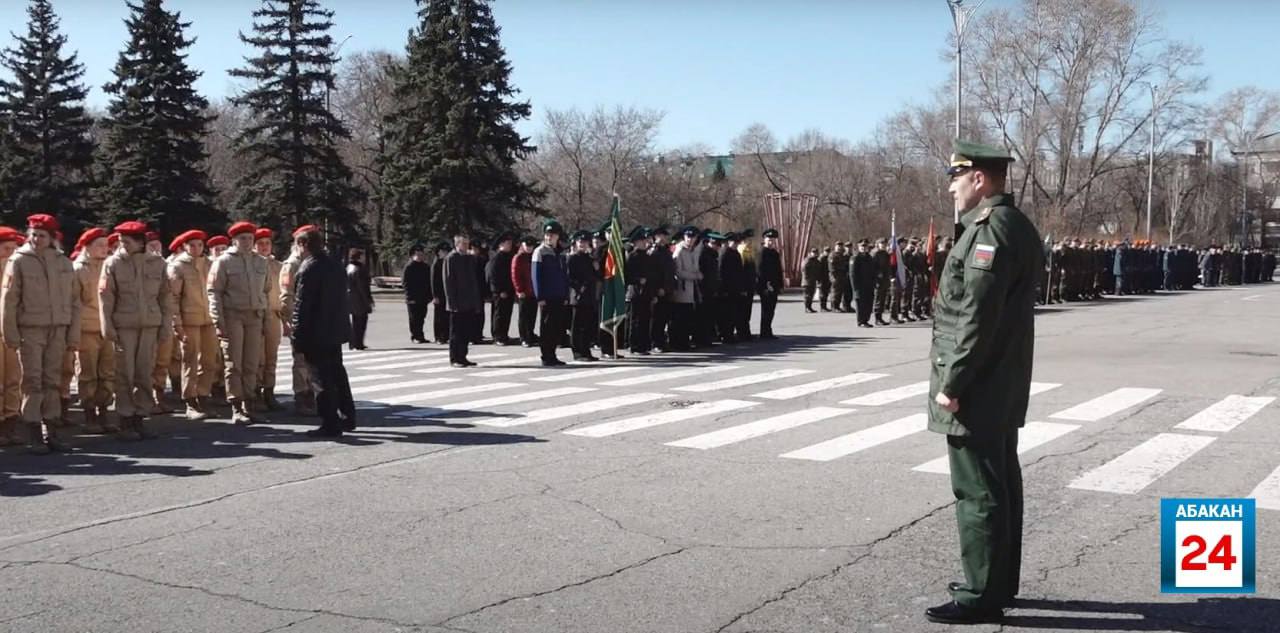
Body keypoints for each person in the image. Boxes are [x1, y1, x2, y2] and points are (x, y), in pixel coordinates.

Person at [926, 140, 1042, 625]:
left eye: (956, 178)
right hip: (998, 379)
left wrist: (953, 382)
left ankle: (980, 594)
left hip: (979, 385)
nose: (951, 188)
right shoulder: (1010, 224)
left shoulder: (989, 229)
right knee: (999, 483)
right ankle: (998, 583)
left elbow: (976, 316)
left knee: (978, 492)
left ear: (978, 178)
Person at [1, 214, 80, 454]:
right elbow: (9, 300)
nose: (36, 239)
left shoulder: (63, 262)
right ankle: (33, 431)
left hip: (58, 329)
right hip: (30, 329)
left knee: (52, 380)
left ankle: (52, 430)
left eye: (42, 235)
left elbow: (75, 301)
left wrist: (72, 334)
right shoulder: (19, 261)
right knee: (33, 381)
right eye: (33, 234)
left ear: (52, 237)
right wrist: (10, 334)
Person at [100, 221, 173, 441]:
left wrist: (165, 325)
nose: (123, 245)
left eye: (128, 241)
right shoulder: (112, 263)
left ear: (141, 242)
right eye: (121, 241)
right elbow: (105, 297)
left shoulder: (157, 263)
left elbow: (165, 297)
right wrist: (107, 326)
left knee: (144, 373)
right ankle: (125, 419)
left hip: (149, 325)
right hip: (124, 326)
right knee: (124, 374)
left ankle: (140, 417)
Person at [290, 225, 355, 438]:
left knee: (320, 379)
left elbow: (301, 306)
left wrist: (297, 336)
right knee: (337, 374)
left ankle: (330, 423)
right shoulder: (335, 264)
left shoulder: (308, 268)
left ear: (303, 245)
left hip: (315, 333)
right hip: (335, 329)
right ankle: (348, 416)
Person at [208, 221, 270, 426]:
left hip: (254, 316)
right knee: (234, 363)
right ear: (234, 240)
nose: (247, 242)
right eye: (242, 238)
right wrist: (218, 321)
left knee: (252, 363)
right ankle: (236, 406)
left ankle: (249, 404)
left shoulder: (261, 261)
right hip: (232, 316)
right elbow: (214, 292)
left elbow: (267, 290)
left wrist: (265, 316)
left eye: (250, 238)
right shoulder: (224, 262)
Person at [167, 230, 218, 421]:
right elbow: (173, 298)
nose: (196, 249)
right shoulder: (178, 266)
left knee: (209, 361)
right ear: (185, 246)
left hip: (209, 320)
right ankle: (190, 401)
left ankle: (204, 396)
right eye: (192, 245)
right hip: (189, 321)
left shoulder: (210, 264)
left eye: (199, 245)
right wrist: (177, 325)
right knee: (190, 361)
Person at [72, 228, 116, 433]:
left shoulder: (110, 266)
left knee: (107, 373)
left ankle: (105, 412)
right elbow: (74, 302)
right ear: (87, 247)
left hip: (107, 328)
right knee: (88, 373)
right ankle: (89, 415)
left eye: (106, 245)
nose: (104, 249)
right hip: (87, 328)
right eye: (99, 245)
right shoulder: (79, 269)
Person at [280, 236, 316, 415]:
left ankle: (312, 393)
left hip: (312, 319)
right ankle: (302, 396)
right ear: (299, 245)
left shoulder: (312, 262)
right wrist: (288, 320)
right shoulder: (292, 264)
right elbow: (286, 295)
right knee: (300, 361)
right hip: (298, 319)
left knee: (313, 360)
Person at [531, 221, 569, 366]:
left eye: (552, 235)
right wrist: (539, 296)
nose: (549, 237)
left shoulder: (559, 252)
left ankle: (552, 354)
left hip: (559, 295)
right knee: (547, 328)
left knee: (556, 327)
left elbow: (564, 275)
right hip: (547, 297)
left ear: (557, 236)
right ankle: (546, 356)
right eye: (547, 235)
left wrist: (565, 294)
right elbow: (536, 276)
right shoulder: (540, 251)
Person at [0, 228, 25, 446]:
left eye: (13, 248)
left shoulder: (17, 270)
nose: (10, 252)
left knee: (14, 379)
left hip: (14, 331)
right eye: (5, 248)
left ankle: (10, 423)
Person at [256, 228, 285, 410]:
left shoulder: (278, 266)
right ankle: (255, 392)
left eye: (267, 243)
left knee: (271, 357)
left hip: (273, 315)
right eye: (260, 243)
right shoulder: (250, 264)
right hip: (255, 315)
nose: (264, 247)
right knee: (257, 357)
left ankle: (269, 391)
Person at [443, 233, 481, 367]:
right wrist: (452, 302)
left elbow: (473, 281)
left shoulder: (469, 258)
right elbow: (448, 282)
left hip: (469, 302)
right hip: (457, 303)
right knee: (456, 332)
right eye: (463, 243)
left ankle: (463, 356)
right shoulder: (451, 258)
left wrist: (476, 302)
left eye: (467, 243)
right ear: (457, 244)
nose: (466, 246)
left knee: (466, 331)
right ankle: (455, 358)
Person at [566, 230, 600, 362]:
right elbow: (569, 278)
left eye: (585, 242)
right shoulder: (572, 258)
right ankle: (577, 351)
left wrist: (596, 268)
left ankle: (586, 350)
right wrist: (579, 287)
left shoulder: (590, 259)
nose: (583, 244)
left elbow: (597, 277)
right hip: (578, 296)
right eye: (580, 242)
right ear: (576, 243)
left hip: (589, 296)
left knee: (587, 326)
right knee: (577, 326)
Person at [669, 226, 702, 351]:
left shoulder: (693, 251)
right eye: (688, 237)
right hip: (681, 288)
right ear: (684, 237)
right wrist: (695, 276)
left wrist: (697, 274)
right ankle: (678, 343)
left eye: (693, 237)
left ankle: (684, 342)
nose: (690, 239)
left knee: (688, 317)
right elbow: (678, 272)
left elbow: (695, 267)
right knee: (680, 318)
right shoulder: (680, 250)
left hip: (691, 288)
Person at [647, 225, 675, 353]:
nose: (662, 238)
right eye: (659, 236)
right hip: (657, 289)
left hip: (667, 288)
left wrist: (669, 287)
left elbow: (670, 271)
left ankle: (661, 341)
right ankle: (655, 343)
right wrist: (658, 288)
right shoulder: (653, 251)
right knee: (656, 318)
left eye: (664, 236)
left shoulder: (666, 251)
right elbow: (653, 273)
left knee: (664, 317)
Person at [625, 227, 653, 355]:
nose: (644, 243)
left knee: (645, 319)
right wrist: (638, 280)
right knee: (635, 320)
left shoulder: (647, 256)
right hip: (635, 292)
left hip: (646, 292)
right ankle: (634, 345)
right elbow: (628, 276)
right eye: (642, 241)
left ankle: (644, 344)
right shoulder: (632, 256)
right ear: (636, 242)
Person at [485, 233, 516, 345]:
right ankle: (497, 336)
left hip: (509, 290)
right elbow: (492, 276)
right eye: (507, 243)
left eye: (510, 243)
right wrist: (499, 290)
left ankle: (504, 334)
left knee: (507, 314)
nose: (510, 245)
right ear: (500, 245)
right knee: (499, 314)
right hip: (500, 292)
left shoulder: (510, 257)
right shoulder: (497, 258)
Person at [510, 236, 539, 347]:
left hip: (533, 291)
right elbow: (515, 275)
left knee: (532, 315)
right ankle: (524, 337)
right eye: (527, 245)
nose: (529, 248)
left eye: (531, 246)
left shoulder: (533, 256)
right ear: (523, 245)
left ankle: (530, 334)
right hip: (524, 291)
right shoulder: (518, 257)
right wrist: (519, 290)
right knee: (524, 316)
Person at [402, 244, 431, 344]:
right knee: (414, 318)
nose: (420, 256)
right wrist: (409, 297)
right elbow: (406, 283)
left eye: (421, 254)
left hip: (423, 297)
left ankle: (421, 335)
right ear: (413, 255)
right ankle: (415, 336)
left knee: (422, 318)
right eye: (417, 254)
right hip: (412, 298)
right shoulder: (409, 267)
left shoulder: (426, 267)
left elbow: (429, 283)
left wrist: (429, 296)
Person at [757, 229, 783, 339]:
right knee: (766, 310)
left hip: (774, 286)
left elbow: (778, 271)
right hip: (766, 287)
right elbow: (760, 271)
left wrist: (780, 284)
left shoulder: (775, 253)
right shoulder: (762, 253)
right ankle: (764, 332)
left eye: (772, 240)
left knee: (771, 310)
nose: (771, 242)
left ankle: (768, 330)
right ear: (764, 240)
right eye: (769, 240)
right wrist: (766, 284)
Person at [346, 248, 373, 350]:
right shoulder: (359, 269)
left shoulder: (349, 267)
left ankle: (353, 342)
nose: (364, 258)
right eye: (362, 256)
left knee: (355, 321)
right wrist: (368, 300)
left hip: (351, 298)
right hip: (359, 299)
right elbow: (362, 287)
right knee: (361, 322)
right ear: (359, 257)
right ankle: (358, 343)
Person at [851, 239, 878, 328]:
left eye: (865, 246)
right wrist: (855, 288)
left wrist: (874, 282)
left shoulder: (869, 258)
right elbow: (853, 274)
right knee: (860, 305)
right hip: (860, 286)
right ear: (859, 247)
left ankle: (866, 320)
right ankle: (861, 321)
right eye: (862, 246)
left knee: (868, 304)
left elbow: (873, 271)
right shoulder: (855, 258)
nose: (863, 248)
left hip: (869, 285)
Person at [430, 241, 451, 344]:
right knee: (439, 316)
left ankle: (446, 335)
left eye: (446, 251)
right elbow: (434, 281)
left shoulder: (449, 262)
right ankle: (439, 336)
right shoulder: (436, 264)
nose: (445, 253)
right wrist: (435, 296)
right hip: (439, 294)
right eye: (443, 251)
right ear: (438, 252)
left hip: (448, 294)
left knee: (447, 316)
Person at [801, 248, 821, 313]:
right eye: (813, 252)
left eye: (816, 252)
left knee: (811, 295)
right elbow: (804, 269)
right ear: (811, 253)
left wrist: (818, 278)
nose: (815, 254)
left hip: (813, 281)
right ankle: (807, 308)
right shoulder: (807, 260)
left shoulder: (816, 261)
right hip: (807, 281)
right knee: (807, 295)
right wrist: (808, 278)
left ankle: (809, 307)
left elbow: (818, 271)